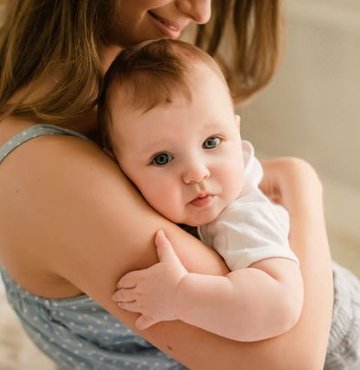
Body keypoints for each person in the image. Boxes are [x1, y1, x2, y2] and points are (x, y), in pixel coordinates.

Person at [0, 1, 355, 369]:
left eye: (213, 142)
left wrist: (302, 184)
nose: (201, 12)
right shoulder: (51, 170)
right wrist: (302, 187)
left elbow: (282, 320)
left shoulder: (235, 214)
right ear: (113, 157)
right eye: (162, 159)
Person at [100, 39, 303, 342]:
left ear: (237, 131)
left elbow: (280, 305)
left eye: (211, 142)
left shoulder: (241, 217)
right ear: (118, 166)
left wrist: (180, 295)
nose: (197, 172)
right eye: (162, 158)